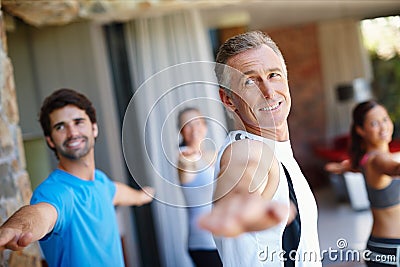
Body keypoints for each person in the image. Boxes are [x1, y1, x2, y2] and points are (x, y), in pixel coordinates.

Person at [198, 31, 321, 266]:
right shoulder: (246, 150)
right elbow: (241, 175)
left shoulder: (278, 151)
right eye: (250, 81)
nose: (268, 92)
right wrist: (238, 206)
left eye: (273, 75)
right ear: (228, 100)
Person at [0, 88, 154, 267]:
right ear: (50, 140)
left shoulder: (101, 182)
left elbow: (120, 192)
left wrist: (143, 196)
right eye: (60, 127)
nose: (72, 133)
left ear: (94, 128)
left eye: (78, 122)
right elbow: (40, 214)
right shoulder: (54, 192)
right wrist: (15, 228)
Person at [346, 100, 400, 266]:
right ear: (361, 130)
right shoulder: (378, 160)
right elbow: (396, 168)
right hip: (390, 251)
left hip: (383, 247)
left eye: (385, 119)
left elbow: (352, 166)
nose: (383, 127)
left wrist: (340, 167)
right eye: (374, 123)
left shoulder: (366, 158)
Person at [176, 107, 222, 267]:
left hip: (222, 239)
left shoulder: (215, 154)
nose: (194, 128)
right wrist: (187, 162)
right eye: (187, 125)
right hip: (203, 242)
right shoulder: (184, 155)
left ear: (205, 126)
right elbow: (185, 169)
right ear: (181, 132)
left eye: (197, 122)